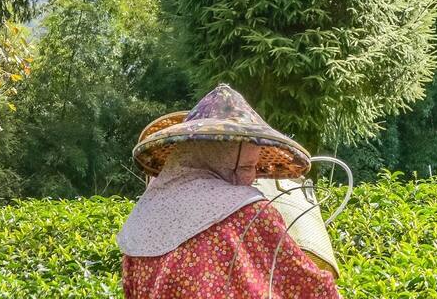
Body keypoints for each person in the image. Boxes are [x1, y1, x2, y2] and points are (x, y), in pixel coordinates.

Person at [119, 84, 339, 299]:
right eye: (246, 166)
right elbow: (306, 283)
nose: (253, 177)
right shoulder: (248, 213)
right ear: (220, 159)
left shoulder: (140, 220)